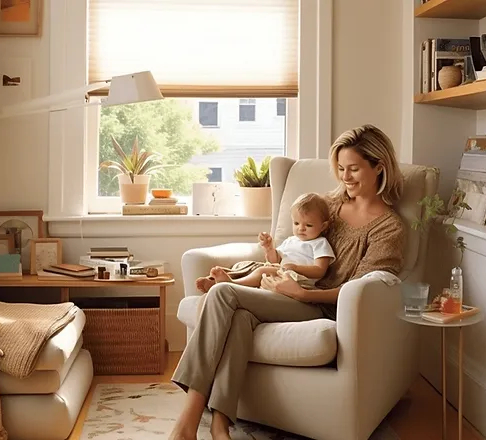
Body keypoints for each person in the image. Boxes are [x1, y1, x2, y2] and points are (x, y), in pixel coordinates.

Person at [169, 124, 406, 440]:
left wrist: (303, 294)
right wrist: (276, 262)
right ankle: (219, 424)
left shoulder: (390, 228)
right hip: (286, 292)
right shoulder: (329, 205)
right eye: (341, 169)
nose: (345, 177)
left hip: (319, 307)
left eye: (354, 169)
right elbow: (292, 246)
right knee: (239, 319)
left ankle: (187, 422)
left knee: (224, 293)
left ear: (379, 167)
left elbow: (363, 293)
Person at [195, 192, 335, 292]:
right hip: (282, 271)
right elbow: (275, 260)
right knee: (243, 266)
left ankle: (231, 284)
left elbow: (320, 271)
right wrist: (269, 249)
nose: (301, 228)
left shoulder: (320, 243)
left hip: (299, 280)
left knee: (262, 270)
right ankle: (214, 282)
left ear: (323, 226)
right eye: (296, 223)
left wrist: (295, 267)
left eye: (308, 225)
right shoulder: (290, 241)